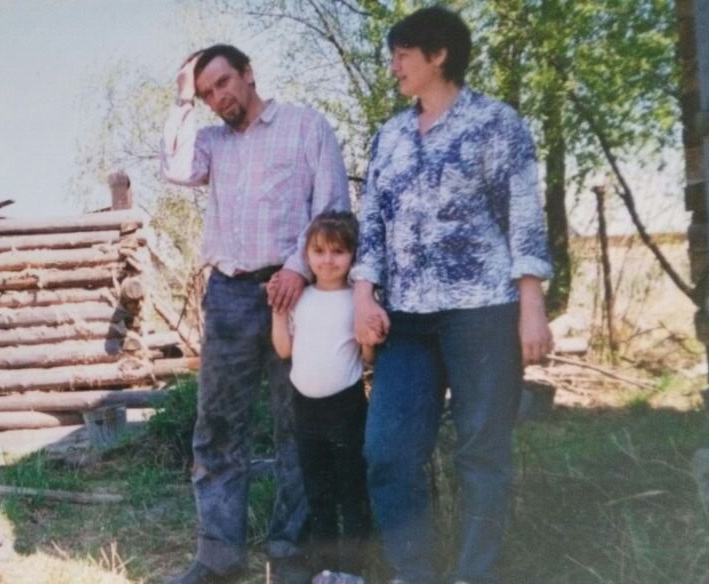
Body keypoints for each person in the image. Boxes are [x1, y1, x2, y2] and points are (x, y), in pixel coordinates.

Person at [350, 7, 554, 584]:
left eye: (402, 54)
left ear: (438, 54)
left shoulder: (497, 124)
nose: (394, 66)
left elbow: (524, 220)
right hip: (407, 320)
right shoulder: (388, 136)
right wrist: (364, 297)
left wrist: (531, 307)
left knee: (482, 455)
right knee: (387, 452)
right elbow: (372, 225)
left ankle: (474, 574)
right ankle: (414, 572)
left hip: (484, 313)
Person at [160, 44, 351, 584]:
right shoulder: (211, 144)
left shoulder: (305, 126)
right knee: (218, 427)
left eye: (224, 83)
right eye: (206, 93)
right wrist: (180, 100)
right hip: (228, 297)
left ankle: (291, 552)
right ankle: (217, 557)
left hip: (298, 293)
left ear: (248, 74)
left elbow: (334, 207)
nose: (218, 98)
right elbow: (174, 169)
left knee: (299, 426)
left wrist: (296, 268)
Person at [270, 210, 373, 581]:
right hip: (305, 409)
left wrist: (370, 341)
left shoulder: (357, 300)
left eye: (338, 252)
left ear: (352, 257)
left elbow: (366, 357)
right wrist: (279, 315)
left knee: (350, 487)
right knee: (318, 491)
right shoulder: (301, 299)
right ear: (307, 254)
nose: (328, 260)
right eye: (319, 251)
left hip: (346, 408)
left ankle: (355, 569)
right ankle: (326, 569)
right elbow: (284, 351)